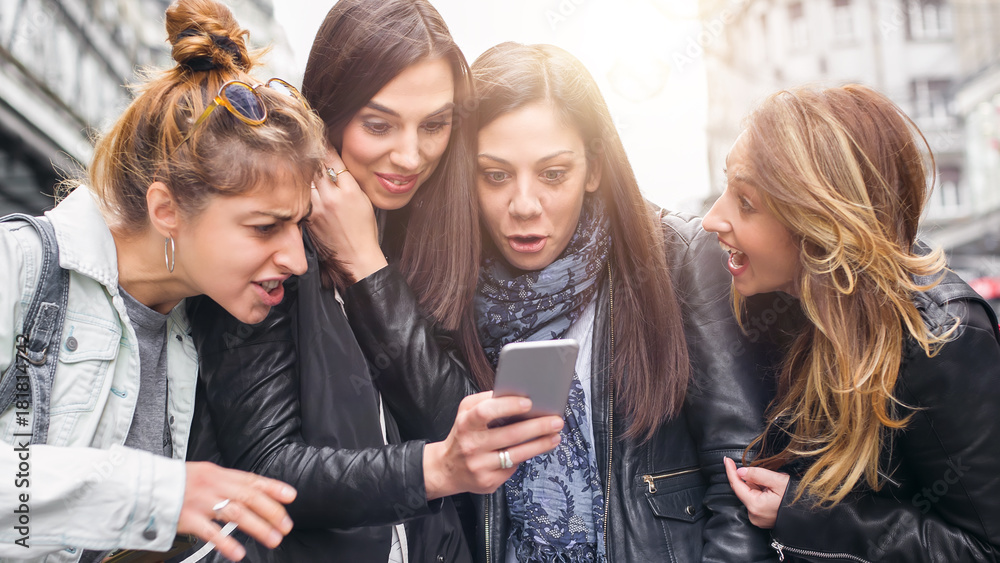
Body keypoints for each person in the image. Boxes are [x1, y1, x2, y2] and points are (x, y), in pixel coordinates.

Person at [319, 41, 776, 562]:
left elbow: (741, 487)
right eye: (495, 175)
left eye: (553, 174)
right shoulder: (443, 280)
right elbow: (444, 431)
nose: (524, 205)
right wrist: (366, 265)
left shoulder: (677, 261)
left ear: (594, 168)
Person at [185, 1, 563, 561]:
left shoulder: (434, 229)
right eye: (379, 124)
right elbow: (265, 468)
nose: (410, 156)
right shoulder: (266, 239)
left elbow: (451, 423)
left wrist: (367, 265)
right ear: (331, 111)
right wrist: (430, 470)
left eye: (434, 125)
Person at [0, 0, 328, 560]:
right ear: (167, 210)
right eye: (264, 227)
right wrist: (156, 495)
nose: (296, 259)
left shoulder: (198, 322)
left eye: (298, 225)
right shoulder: (18, 264)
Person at [703, 84, 1000, 561]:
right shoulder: (780, 299)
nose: (711, 219)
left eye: (747, 203)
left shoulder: (942, 338)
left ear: (819, 222)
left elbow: (983, 548)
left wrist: (808, 518)